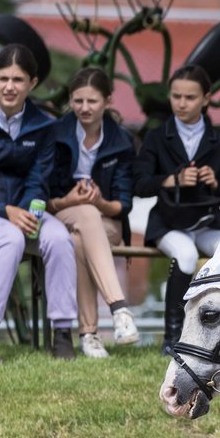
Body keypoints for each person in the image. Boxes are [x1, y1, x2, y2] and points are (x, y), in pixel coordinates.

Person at [0, 43, 78, 362]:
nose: (10, 87)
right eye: (3, 78)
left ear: (32, 83)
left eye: (18, 80)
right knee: (9, 237)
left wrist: (27, 210)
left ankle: (62, 335)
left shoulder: (44, 126)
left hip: (22, 211)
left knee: (61, 238)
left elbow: (38, 181)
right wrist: (7, 213)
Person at [134, 64, 220, 354]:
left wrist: (215, 181)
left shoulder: (219, 142)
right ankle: (172, 337)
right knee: (186, 255)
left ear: (206, 98)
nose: (181, 103)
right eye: (176, 96)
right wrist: (171, 179)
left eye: (189, 97)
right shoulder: (156, 138)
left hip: (206, 220)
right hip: (169, 222)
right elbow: (139, 184)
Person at [48, 67, 139, 358]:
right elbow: (44, 196)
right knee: (84, 215)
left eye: (92, 101)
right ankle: (119, 309)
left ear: (108, 101)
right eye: (77, 101)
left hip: (107, 223)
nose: (84, 108)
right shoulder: (55, 134)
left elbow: (123, 205)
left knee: (80, 239)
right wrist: (70, 200)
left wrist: (99, 202)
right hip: (61, 215)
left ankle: (88, 335)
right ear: (70, 101)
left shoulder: (121, 141)